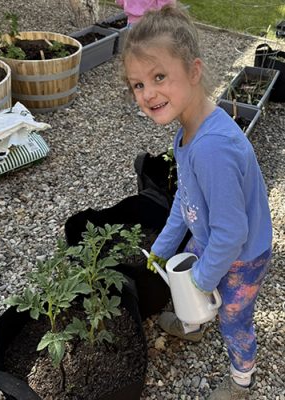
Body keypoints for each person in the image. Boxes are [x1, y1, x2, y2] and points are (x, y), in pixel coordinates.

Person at [121, 5, 272, 400]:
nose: (147, 93)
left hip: (243, 255)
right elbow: (185, 201)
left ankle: (241, 379)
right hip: (215, 239)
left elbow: (233, 232)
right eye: (137, 84)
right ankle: (195, 320)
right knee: (184, 267)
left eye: (158, 77)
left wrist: (202, 283)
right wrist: (162, 248)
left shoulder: (212, 150)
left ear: (194, 71)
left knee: (234, 318)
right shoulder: (189, 130)